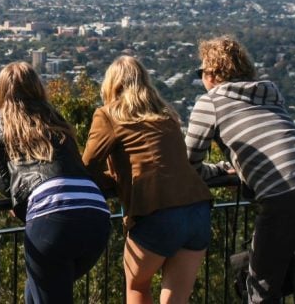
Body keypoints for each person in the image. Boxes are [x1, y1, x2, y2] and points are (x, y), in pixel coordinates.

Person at [186, 35, 295, 303]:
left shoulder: (211, 102)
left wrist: (215, 171)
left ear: (213, 73)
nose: (202, 78)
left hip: (285, 193)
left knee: (262, 289)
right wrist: (232, 166)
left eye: (201, 71)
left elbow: (188, 163)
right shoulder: (270, 94)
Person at [81, 56, 212, 304]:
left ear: (112, 85)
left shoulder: (109, 115)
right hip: (197, 209)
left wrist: (112, 182)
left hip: (156, 211)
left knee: (137, 285)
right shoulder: (166, 115)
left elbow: (86, 167)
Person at [0, 62, 111, 304]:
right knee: (36, 292)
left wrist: (19, 204)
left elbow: (4, 182)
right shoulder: (55, 118)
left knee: (46, 291)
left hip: (51, 220)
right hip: (96, 214)